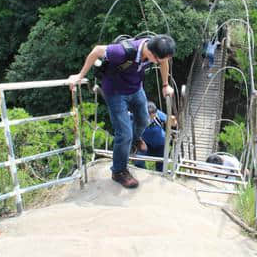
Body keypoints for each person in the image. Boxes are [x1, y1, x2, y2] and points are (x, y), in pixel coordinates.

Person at [68, 35, 175, 188]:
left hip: (136, 89)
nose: (160, 63)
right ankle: (118, 171)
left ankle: (134, 140)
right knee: (124, 134)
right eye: (158, 60)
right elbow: (97, 50)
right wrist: (80, 75)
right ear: (151, 54)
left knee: (144, 120)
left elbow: (164, 61)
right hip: (116, 92)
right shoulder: (122, 52)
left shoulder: (155, 53)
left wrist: (165, 84)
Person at [133, 101, 177, 172]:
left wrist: (173, 119)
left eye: (153, 115)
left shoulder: (158, 114)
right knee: (138, 162)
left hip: (161, 145)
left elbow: (173, 123)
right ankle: (144, 173)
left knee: (161, 168)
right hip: (146, 144)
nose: (151, 118)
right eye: (149, 116)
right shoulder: (138, 116)